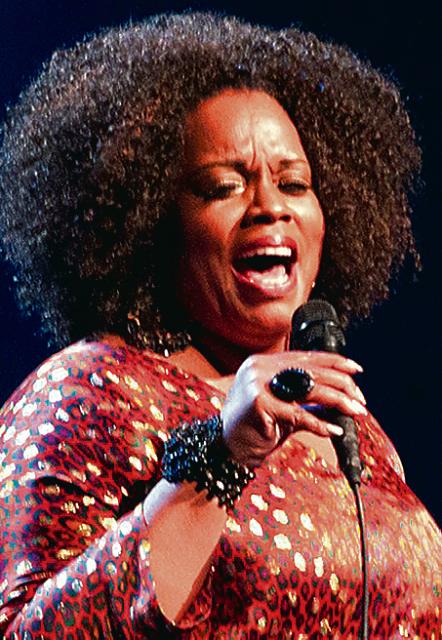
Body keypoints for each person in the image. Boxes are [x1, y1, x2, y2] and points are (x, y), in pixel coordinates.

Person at [0, 11, 440, 639]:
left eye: (294, 183)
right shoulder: (91, 391)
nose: (271, 207)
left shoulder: (359, 433)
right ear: (151, 222)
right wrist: (225, 453)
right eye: (223, 187)